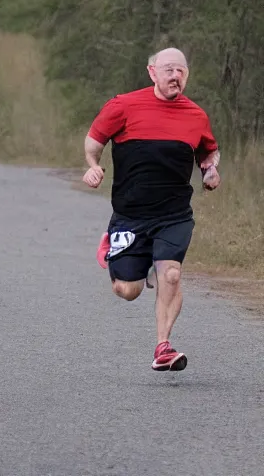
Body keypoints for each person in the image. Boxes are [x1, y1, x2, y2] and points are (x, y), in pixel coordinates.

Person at [82, 47, 221, 372]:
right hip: (131, 214)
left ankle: (163, 346)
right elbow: (93, 140)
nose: (175, 76)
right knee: (127, 290)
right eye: (169, 69)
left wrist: (209, 170)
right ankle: (116, 249)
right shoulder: (124, 106)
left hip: (174, 214)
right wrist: (92, 166)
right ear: (152, 72)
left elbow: (209, 152)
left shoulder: (196, 115)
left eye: (181, 71)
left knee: (171, 274)